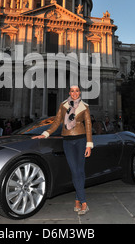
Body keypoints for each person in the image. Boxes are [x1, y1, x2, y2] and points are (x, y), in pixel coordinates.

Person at [32, 85, 93, 215]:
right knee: (74, 170)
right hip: (68, 141)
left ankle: (80, 201)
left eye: (77, 91)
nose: (75, 93)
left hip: (81, 140)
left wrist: (89, 144)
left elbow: (88, 125)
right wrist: (45, 134)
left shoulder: (85, 107)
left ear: (79, 92)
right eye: (72, 91)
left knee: (80, 171)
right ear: (69, 92)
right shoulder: (63, 105)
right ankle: (82, 201)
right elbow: (56, 122)